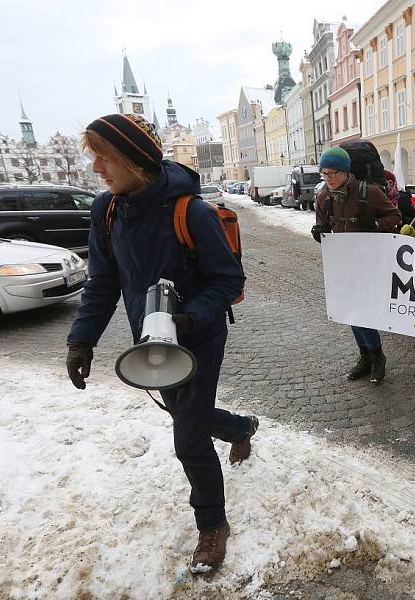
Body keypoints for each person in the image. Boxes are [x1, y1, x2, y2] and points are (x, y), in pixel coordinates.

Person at [65, 114, 258, 574]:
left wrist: (192, 317)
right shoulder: (106, 210)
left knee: (188, 437)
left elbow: (228, 279)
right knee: (183, 413)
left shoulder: (189, 211)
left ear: (134, 159)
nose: (96, 168)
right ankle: (239, 428)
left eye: (104, 157)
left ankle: (212, 524)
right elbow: (102, 282)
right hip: (150, 340)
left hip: (200, 336)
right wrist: (81, 340)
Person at [311, 147, 401, 383]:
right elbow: (322, 225)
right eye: (324, 174)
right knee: (349, 311)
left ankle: (376, 355)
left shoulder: (368, 192)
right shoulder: (324, 197)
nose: (328, 179)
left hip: (368, 262)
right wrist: (319, 231)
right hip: (342, 264)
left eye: (332, 173)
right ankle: (365, 356)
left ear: (345, 171)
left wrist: (374, 224)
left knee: (363, 312)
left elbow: (395, 217)